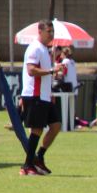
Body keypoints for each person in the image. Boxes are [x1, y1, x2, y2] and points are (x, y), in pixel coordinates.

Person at [20, 20, 64, 176]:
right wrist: (52, 70)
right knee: (37, 129)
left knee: (56, 125)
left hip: (45, 95)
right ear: (40, 32)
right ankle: (27, 166)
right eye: (48, 32)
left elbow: (45, 73)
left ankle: (39, 156)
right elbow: (31, 71)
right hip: (34, 95)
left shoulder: (45, 50)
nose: (51, 34)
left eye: (53, 32)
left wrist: (50, 88)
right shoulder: (34, 48)